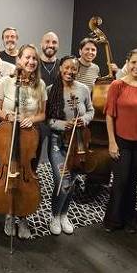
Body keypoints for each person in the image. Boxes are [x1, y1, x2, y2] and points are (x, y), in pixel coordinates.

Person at [102, 49, 137, 233]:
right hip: (121, 141)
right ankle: (112, 220)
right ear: (127, 63)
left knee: (133, 180)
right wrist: (111, 141)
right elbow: (110, 115)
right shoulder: (117, 85)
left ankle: (129, 219)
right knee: (120, 181)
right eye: (133, 62)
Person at [0, 44, 47, 239]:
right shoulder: (5, 82)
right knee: (9, 172)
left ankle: (23, 216)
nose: (31, 61)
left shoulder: (40, 85)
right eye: (27, 57)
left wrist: (30, 119)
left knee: (28, 174)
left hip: (31, 137)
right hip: (9, 135)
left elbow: (43, 114)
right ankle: (9, 213)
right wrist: (7, 116)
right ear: (19, 60)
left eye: (34, 58)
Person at [45, 55, 94, 235]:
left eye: (73, 68)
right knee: (63, 180)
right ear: (60, 68)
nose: (70, 71)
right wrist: (62, 124)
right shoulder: (51, 90)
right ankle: (54, 215)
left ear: (78, 70)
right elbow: (47, 119)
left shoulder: (83, 89)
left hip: (79, 143)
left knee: (72, 181)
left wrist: (84, 119)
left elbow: (91, 110)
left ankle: (64, 214)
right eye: (66, 67)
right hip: (58, 143)